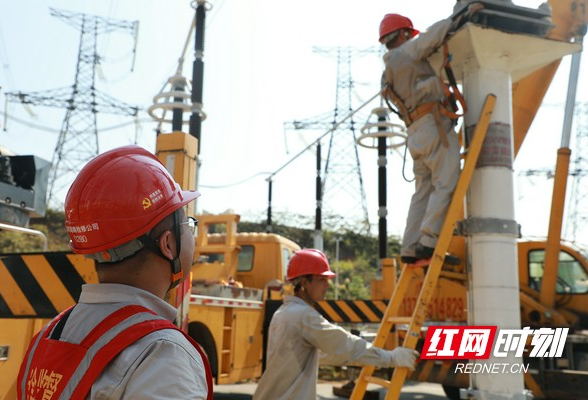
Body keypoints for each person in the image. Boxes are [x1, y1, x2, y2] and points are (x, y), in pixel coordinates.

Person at [17, 145, 212, 399]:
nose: (191, 234)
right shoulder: (162, 354)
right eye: (188, 224)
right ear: (168, 244)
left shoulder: (50, 335)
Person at [379, 6, 482, 265]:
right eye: (409, 34)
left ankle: (410, 247)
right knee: (446, 181)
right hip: (431, 127)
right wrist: (463, 15)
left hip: (415, 134)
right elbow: (434, 34)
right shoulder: (409, 50)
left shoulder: (388, 71)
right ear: (402, 34)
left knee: (423, 190)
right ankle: (428, 242)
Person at [253, 249, 419, 400]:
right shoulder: (303, 315)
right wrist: (391, 358)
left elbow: (321, 353)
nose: (327, 285)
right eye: (321, 279)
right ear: (304, 282)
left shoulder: (283, 313)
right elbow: (344, 344)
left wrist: (366, 357)